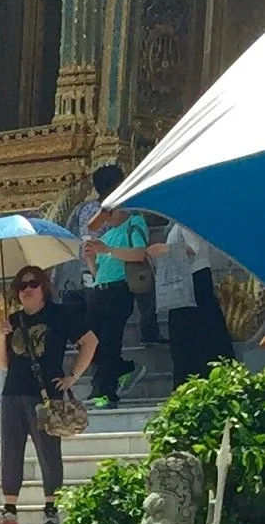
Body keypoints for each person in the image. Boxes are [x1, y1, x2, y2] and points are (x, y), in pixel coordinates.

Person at [0, 268, 97, 524]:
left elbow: (91, 341)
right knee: (11, 450)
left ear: (43, 287)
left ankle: (51, 507)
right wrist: (1, 337)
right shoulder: (13, 320)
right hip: (13, 392)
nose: (27, 289)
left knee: (48, 451)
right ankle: (10, 508)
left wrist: (73, 375)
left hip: (46, 394)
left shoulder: (60, 314)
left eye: (33, 283)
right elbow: (1, 364)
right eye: (22, 285)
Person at [81, 167, 153, 409]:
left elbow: (139, 253)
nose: (108, 216)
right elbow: (97, 271)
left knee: (111, 341)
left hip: (120, 290)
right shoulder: (109, 234)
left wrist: (107, 250)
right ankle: (121, 370)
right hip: (100, 290)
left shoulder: (135, 222)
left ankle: (106, 392)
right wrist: (91, 256)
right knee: (92, 341)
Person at [148, 221, 236, 390]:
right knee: (184, 339)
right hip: (185, 283)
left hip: (195, 281)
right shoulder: (175, 227)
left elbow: (192, 249)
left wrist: (165, 250)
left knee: (199, 336)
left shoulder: (187, 223)